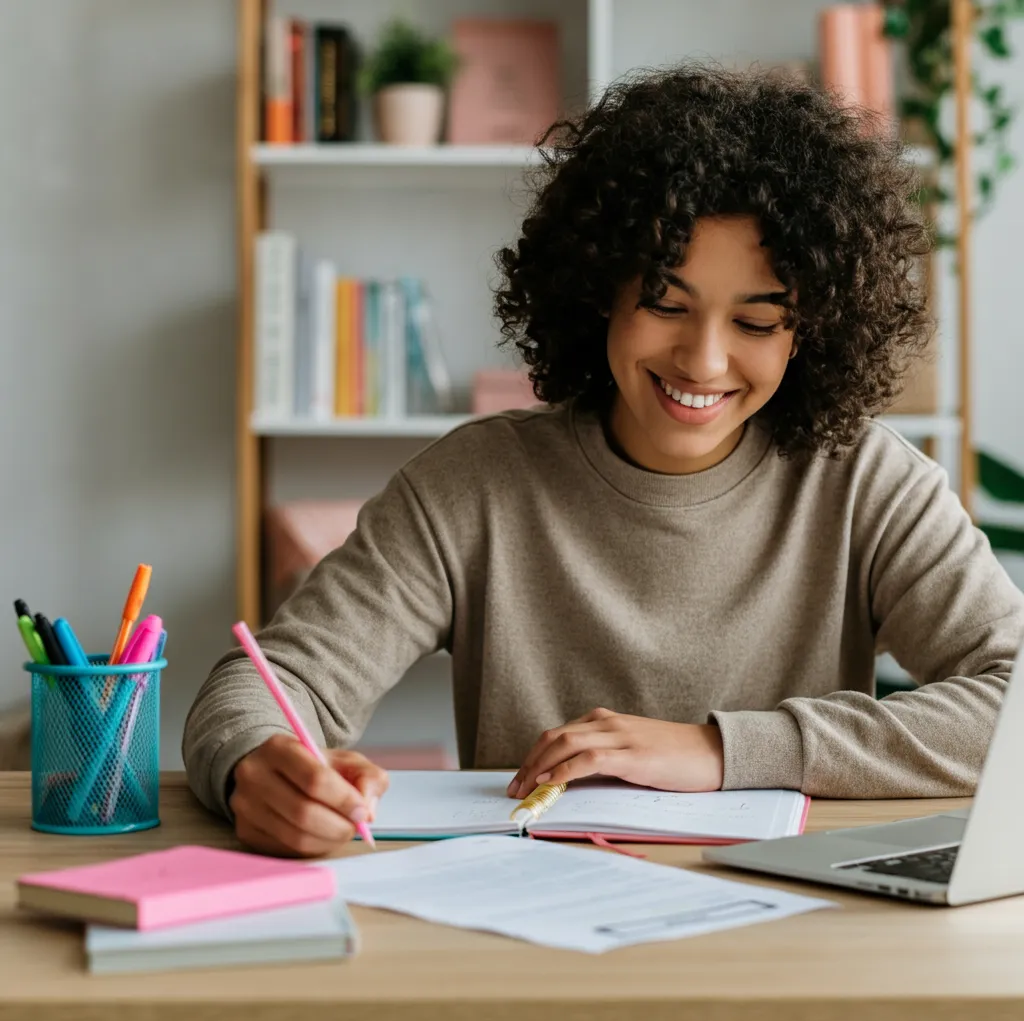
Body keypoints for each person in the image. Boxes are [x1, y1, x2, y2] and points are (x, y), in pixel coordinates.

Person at [183, 64, 1024, 858]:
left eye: (757, 321)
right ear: (600, 291)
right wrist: (259, 764)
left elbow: (1012, 697)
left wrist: (722, 750)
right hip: (524, 923)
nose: (703, 359)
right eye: (666, 302)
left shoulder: (864, 483)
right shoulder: (473, 486)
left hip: (787, 926)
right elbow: (272, 681)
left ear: (814, 331)